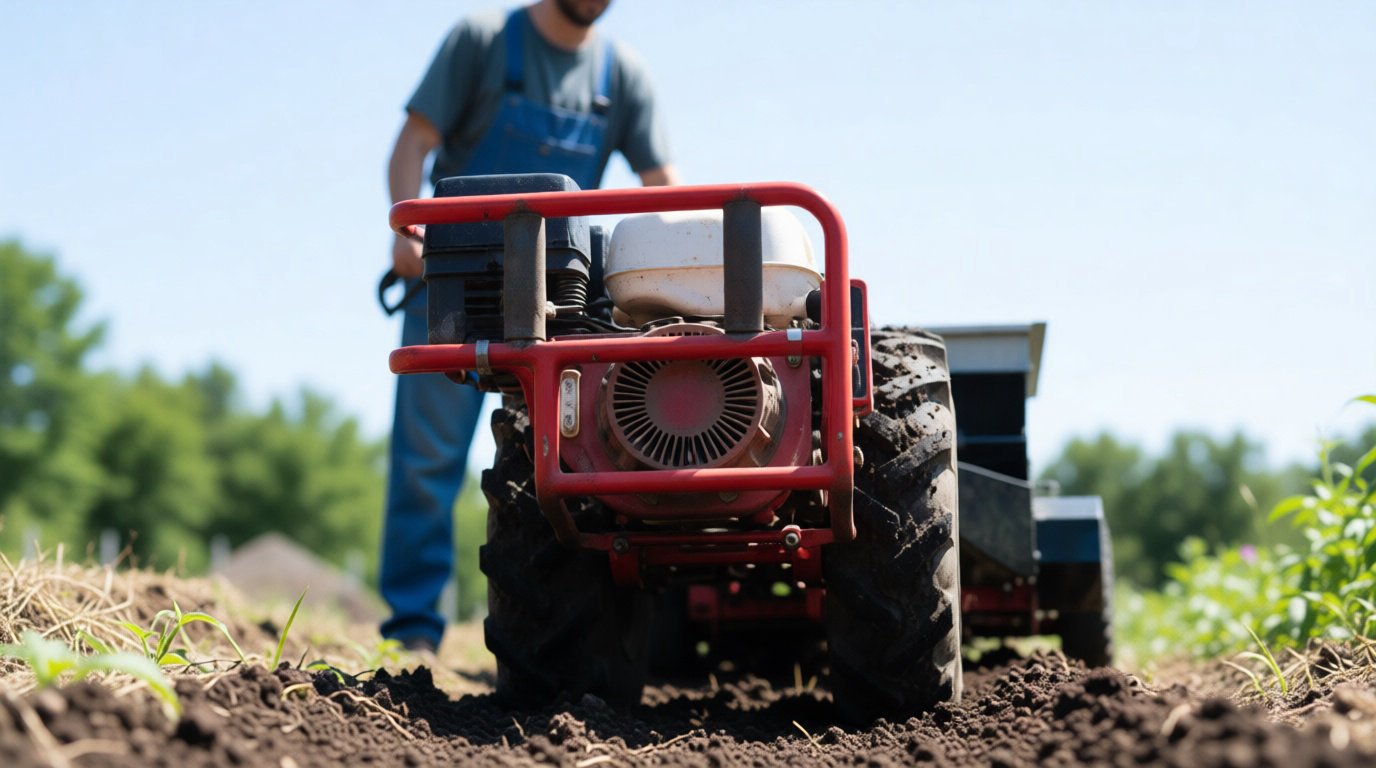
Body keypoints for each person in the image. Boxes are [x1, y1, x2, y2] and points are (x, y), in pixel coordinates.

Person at [380, 0, 678, 651]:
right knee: (425, 463)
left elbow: (664, 188)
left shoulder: (621, 76)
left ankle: (572, 633)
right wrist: (409, 232)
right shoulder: (482, 41)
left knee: (573, 462)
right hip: (456, 289)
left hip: (561, 306)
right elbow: (413, 144)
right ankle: (411, 633)